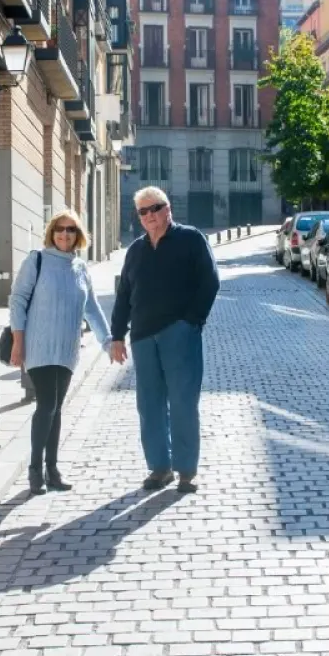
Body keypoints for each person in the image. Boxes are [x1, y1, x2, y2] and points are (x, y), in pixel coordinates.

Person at [110, 186, 220, 494]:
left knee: (183, 402)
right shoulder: (135, 250)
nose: (149, 216)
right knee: (149, 404)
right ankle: (159, 468)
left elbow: (209, 281)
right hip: (143, 337)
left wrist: (192, 322)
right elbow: (124, 296)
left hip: (179, 334)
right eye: (142, 212)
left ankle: (185, 470)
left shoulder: (191, 239)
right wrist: (117, 335)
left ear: (167, 208)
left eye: (154, 208)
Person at [9, 209, 111, 495]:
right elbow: (17, 300)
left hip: (66, 349)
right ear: (51, 233)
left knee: (56, 409)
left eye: (70, 230)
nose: (64, 234)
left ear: (78, 236)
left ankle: (52, 469)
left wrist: (107, 340)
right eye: (59, 229)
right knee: (47, 406)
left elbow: (91, 308)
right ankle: (34, 470)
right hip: (38, 346)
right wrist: (18, 342)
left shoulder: (80, 268)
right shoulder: (37, 260)